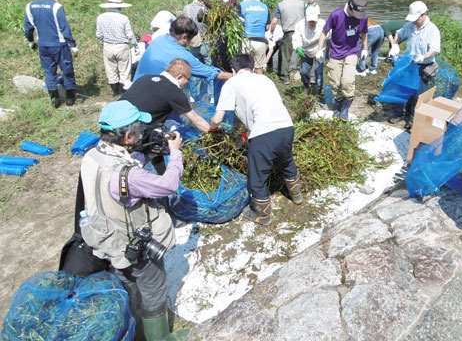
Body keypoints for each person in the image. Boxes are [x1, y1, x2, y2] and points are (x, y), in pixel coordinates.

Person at [79, 100, 188, 340]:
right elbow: (167, 185)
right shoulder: (128, 175)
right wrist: (176, 152)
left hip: (106, 239)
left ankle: (137, 332)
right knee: (154, 291)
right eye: (138, 129)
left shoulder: (92, 156)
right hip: (136, 245)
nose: (141, 132)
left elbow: (114, 184)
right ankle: (160, 337)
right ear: (128, 136)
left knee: (129, 287)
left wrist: (139, 156)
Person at [210, 54, 302, 226]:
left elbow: (218, 118)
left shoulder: (232, 82)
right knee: (286, 160)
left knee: (257, 176)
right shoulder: (265, 79)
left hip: (263, 133)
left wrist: (211, 129)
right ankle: (297, 196)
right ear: (252, 68)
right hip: (286, 127)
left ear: (233, 70)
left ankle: (263, 216)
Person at [122, 58, 214, 174]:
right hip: (133, 133)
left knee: (155, 142)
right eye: (188, 79)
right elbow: (196, 119)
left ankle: (161, 172)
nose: (187, 83)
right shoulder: (174, 91)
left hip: (118, 123)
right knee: (167, 143)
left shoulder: (145, 78)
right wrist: (214, 133)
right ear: (180, 77)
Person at [24, 0, 78, 108]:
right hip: (59, 44)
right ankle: (70, 97)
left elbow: (28, 27)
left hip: (42, 44)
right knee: (67, 69)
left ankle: (54, 99)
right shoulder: (56, 6)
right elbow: (64, 28)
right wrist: (73, 45)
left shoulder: (30, 5)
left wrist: (31, 41)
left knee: (49, 71)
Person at [316, 0, 369, 120]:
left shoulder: (363, 16)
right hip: (335, 52)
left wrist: (365, 48)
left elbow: (364, 33)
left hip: (352, 52)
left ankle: (345, 109)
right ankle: (339, 104)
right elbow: (324, 32)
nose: (358, 16)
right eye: (356, 13)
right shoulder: (336, 15)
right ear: (350, 7)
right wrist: (319, 49)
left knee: (347, 81)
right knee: (335, 82)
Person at [134, 15, 230, 83]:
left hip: (135, 88)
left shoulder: (159, 39)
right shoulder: (181, 56)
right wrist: (239, 76)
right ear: (184, 37)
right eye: (190, 39)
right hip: (151, 99)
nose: (190, 43)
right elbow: (210, 73)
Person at [390, 1, 441, 128]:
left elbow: (435, 49)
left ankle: (412, 119)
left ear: (423, 15)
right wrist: (395, 45)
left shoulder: (432, 29)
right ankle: (399, 114)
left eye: (416, 18)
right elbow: (399, 34)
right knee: (403, 89)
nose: (414, 21)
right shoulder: (410, 25)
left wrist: (423, 56)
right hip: (409, 63)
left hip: (424, 66)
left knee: (418, 94)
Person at [97, 0, 136, 96]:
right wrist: (134, 45)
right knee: (125, 71)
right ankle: (124, 93)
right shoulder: (124, 18)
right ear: (119, 6)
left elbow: (99, 35)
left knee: (111, 70)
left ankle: (115, 92)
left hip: (107, 46)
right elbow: (130, 35)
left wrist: (103, 43)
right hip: (122, 46)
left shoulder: (100, 17)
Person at [273, 0, 306, 84]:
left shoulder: (280, 5)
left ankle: (285, 78)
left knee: (285, 55)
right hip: (301, 32)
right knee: (302, 53)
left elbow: (274, 21)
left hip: (289, 33)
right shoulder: (302, 3)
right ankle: (301, 74)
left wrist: (270, 32)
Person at [239, 0, 270, 74]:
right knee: (259, 68)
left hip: (246, 41)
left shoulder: (241, 5)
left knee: (246, 69)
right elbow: (268, 27)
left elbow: (238, 24)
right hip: (261, 41)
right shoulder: (265, 6)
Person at [292, 8, 325, 94]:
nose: (312, 23)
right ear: (306, 18)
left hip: (319, 49)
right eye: (310, 21)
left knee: (319, 72)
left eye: (314, 21)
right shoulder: (300, 25)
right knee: (304, 72)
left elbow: (329, 35)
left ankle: (319, 91)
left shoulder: (322, 24)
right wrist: (297, 47)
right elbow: (296, 37)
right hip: (306, 50)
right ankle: (307, 86)